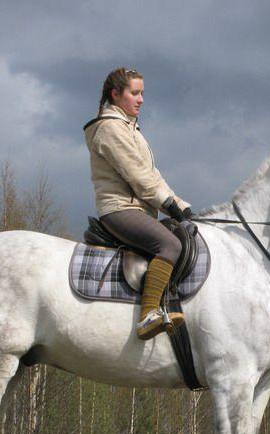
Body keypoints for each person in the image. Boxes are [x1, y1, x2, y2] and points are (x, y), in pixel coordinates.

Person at [84, 67, 193, 340]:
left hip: (140, 209)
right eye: (135, 93)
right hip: (119, 210)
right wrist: (170, 205)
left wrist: (182, 205)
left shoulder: (131, 129)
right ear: (115, 94)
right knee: (169, 244)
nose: (141, 99)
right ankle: (147, 316)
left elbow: (154, 176)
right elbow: (138, 177)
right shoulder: (109, 128)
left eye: (142, 93)